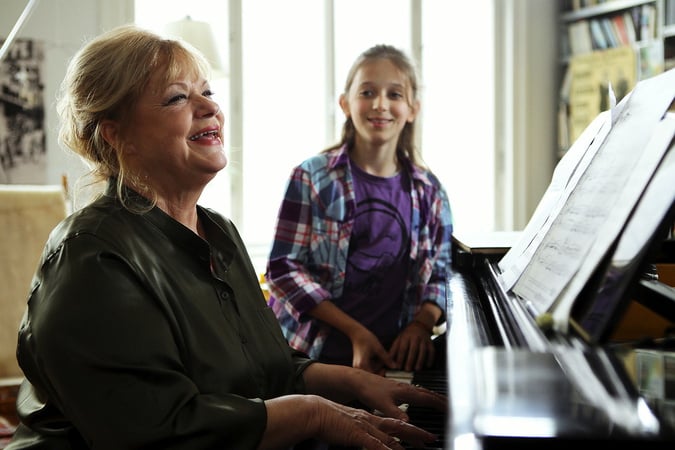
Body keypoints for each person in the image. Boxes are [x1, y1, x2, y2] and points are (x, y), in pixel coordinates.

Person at [6, 25, 447, 450]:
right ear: (116, 134)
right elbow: (160, 432)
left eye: (208, 93)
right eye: (178, 97)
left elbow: (263, 370)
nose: (210, 108)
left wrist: (350, 381)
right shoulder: (91, 258)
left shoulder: (218, 231)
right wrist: (314, 413)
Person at [265, 45, 453, 375]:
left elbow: (440, 273)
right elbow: (283, 269)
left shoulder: (430, 192)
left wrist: (422, 325)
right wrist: (356, 333)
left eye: (394, 94)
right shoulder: (311, 177)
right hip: (309, 360)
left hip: (390, 365)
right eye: (367, 92)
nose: (381, 104)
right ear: (345, 104)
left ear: (412, 109)